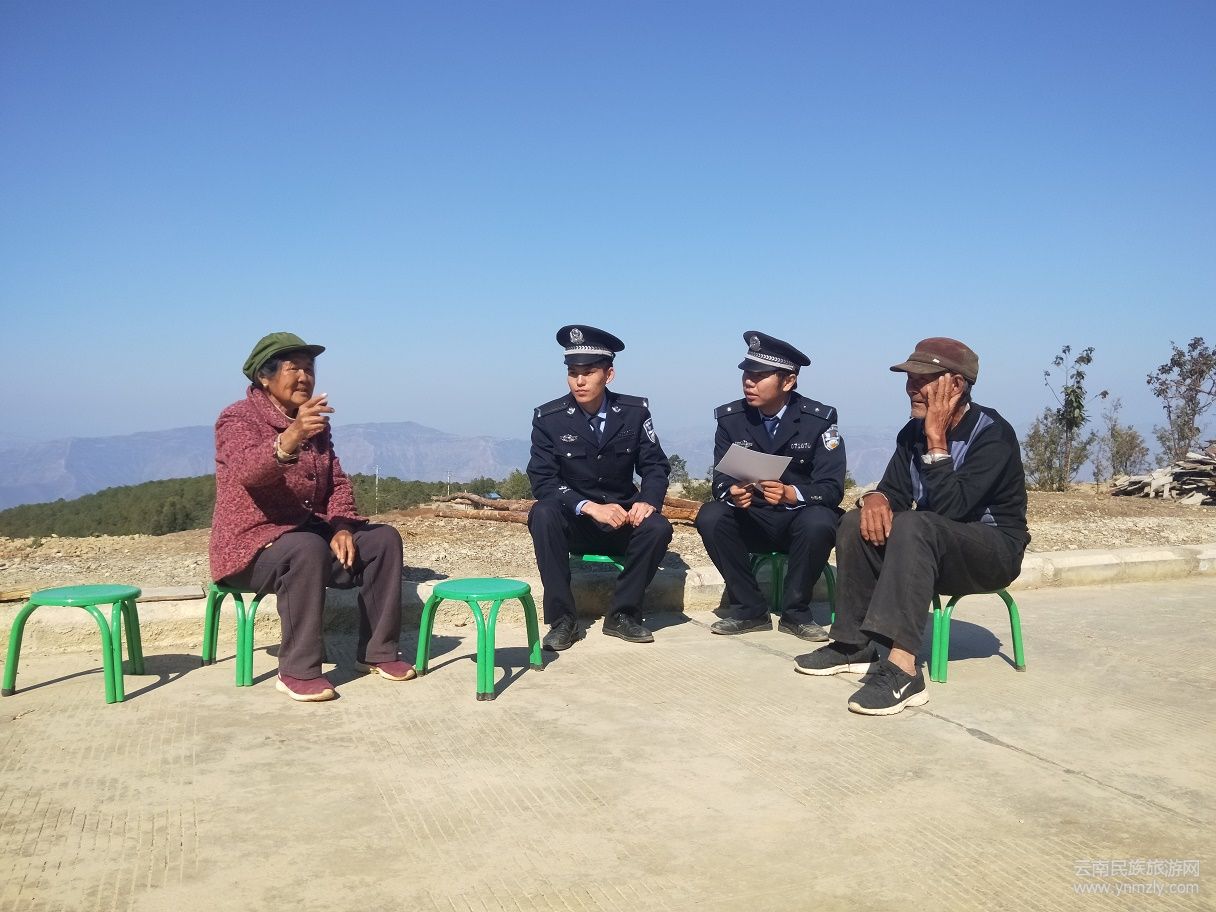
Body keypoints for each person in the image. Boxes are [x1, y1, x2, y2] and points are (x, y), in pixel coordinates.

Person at [794, 337, 1029, 716]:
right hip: (933, 549)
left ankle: (904, 671)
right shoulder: (912, 433)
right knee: (855, 521)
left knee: (916, 526)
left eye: (923, 380)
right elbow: (894, 493)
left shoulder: (992, 434)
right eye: (910, 379)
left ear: (956, 385)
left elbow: (954, 509)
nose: (911, 388)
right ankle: (853, 645)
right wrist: (874, 498)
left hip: (992, 552)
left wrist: (937, 440)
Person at [209, 332, 413, 702]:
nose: (305, 377)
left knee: (382, 540)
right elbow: (248, 472)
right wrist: (292, 436)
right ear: (264, 376)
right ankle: (297, 671)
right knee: (305, 548)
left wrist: (342, 525)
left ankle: (377, 652)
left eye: (309, 368)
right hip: (250, 551)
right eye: (294, 369)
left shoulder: (314, 423)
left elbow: (336, 480)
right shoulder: (236, 419)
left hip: (308, 542)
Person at [527, 325, 673, 651]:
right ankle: (562, 621)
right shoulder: (549, 418)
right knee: (543, 513)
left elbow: (655, 466)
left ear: (609, 375)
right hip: (575, 521)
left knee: (658, 527)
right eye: (572, 373)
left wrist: (647, 501)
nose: (579, 381)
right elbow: (542, 479)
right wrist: (590, 507)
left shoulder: (634, 413)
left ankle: (622, 615)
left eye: (588, 373)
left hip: (622, 519)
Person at [695, 331, 845, 640]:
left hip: (798, 522)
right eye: (746, 374)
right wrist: (732, 493)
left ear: (788, 381)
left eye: (759, 376)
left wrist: (792, 494)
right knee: (710, 516)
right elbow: (720, 480)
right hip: (753, 518)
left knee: (820, 521)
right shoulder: (731, 419)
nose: (748, 382)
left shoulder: (818, 420)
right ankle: (749, 609)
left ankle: (796, 613)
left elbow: (832, 488)